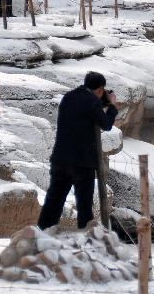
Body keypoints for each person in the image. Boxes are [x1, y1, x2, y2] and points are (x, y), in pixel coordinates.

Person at [37, 72, 118, 231]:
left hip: (60, 159)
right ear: (101, 89)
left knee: (54, 201)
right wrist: (112, 107)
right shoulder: (93, 103)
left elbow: (81, 112)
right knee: (84, 205)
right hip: (82, 163)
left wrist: (100, 102)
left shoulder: (68, 97)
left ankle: (42, 234)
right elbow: (106, 125)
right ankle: (86, 238)